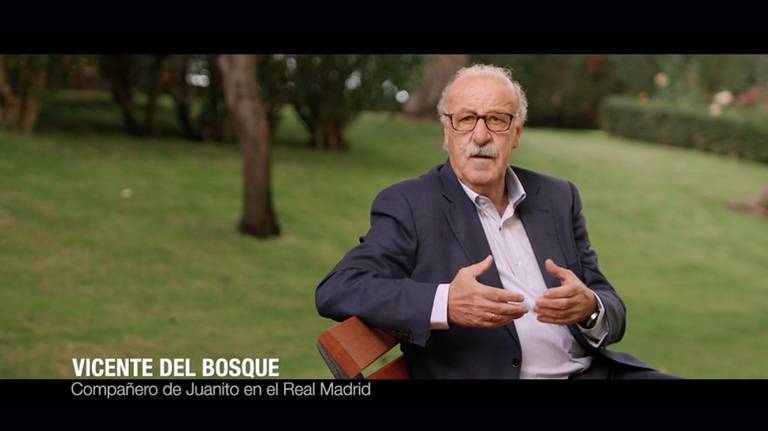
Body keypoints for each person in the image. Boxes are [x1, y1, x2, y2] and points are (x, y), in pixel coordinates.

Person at [316, 64, 673, 379]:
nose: (481, 135)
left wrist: (590, 308)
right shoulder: (410, 205)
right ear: (447, 132)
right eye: (466, 119)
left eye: (497, 119)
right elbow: (339, 288)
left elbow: (611, 306)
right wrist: (446, 302)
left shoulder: (558, 197)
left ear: (516, 133)